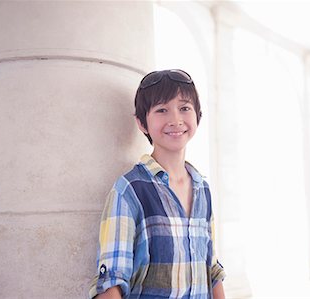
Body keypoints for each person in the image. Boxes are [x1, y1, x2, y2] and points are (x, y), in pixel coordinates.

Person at [89, 69, 226, 299]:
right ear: (142, 123)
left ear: (197, 116)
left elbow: (212, 270)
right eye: (162, 110)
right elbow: (111, 282)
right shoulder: (129, 190)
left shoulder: (203, 189)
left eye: (184, 108)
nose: (175, 120)